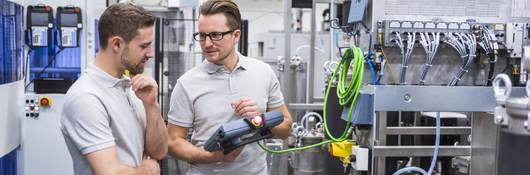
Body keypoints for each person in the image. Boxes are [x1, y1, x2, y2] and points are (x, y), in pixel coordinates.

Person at [166, 0, 293, 174]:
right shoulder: (187, 83)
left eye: (215, 35)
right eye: (202, 36)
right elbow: (173, 142)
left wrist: (260, 119)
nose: (207, 43)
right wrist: (213, 157)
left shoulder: (263, 72)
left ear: (236, 35)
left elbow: (286, 128)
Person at [60, 3, 167, 175]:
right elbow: (110, 172)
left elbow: (159, 152)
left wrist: (151, 105)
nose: (150, 53)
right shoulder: (86, 97)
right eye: (143, 46)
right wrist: (147, 170)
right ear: (116, 44)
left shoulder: (130, 88)